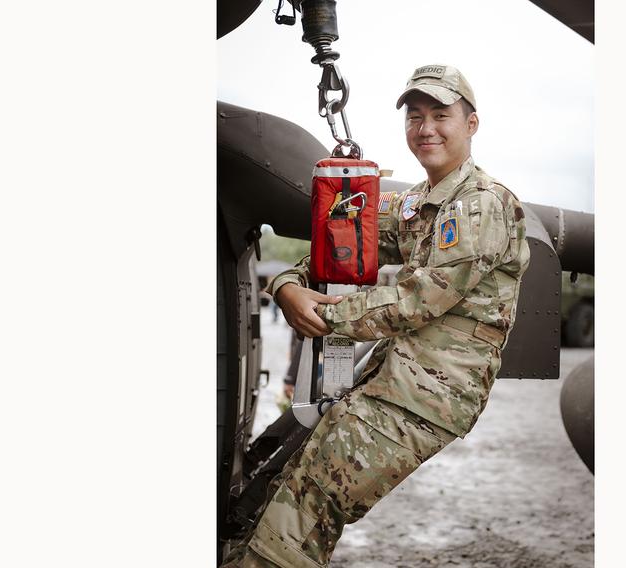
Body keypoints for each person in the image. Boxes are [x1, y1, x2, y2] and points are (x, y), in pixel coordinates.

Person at [221, 64, 530, 568]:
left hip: (429, 398)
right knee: (283, 489)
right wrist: (287, 284)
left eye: (440, 115)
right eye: (415, 116)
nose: (425, 128)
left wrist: (326, 313)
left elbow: (420, 297)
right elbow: (339, 246)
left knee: (304, 510)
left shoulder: (481, 205)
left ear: (471, 124)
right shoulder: (412, 205)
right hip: (391, 384)